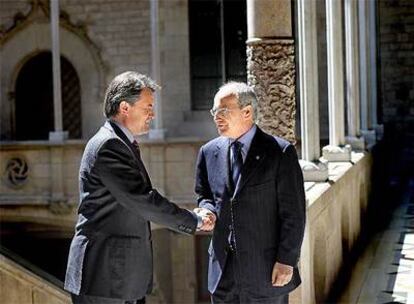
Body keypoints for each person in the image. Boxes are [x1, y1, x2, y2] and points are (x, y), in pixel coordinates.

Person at [64, 71, 215, 304]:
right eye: (148, 107)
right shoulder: (109, 145)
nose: (152, 114)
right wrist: (192, 220)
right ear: (125, 107)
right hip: (104, 277)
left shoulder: (120, 142)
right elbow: (142, 200)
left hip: (119, 279)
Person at [195, 82, 306, 304]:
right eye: (214, 111)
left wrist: (287, 260)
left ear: (247, 112)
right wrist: (206, 210)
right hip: (223, 274)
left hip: (266, 272)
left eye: (223, 111)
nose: (217, 117)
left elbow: (294, 213)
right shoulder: (208, 152)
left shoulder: (279, 152)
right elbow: (205, 195)